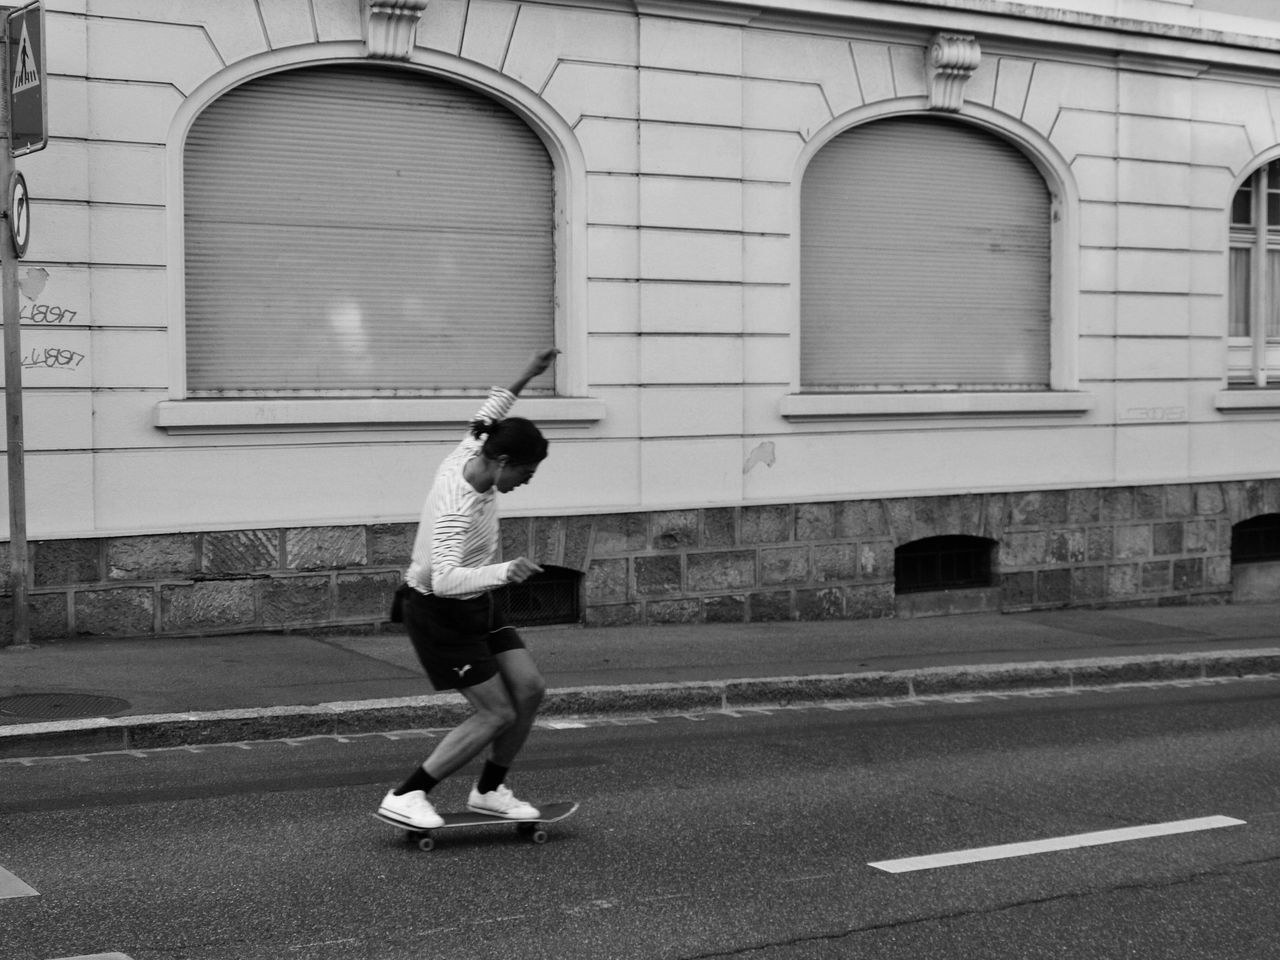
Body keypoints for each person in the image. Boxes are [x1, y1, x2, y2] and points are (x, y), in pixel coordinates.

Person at [378, 347, 560, 830]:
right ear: (501, 463)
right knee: (495, 711)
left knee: (529, 688)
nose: (526, 482)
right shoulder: (456, 504)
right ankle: (408, 793)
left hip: (477, 603)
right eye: (525, 473)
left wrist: (529, 371)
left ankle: (489, 790)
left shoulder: (475, 448)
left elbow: (489, 414)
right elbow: (444, 579)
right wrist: (506, 571)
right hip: (439, 612)